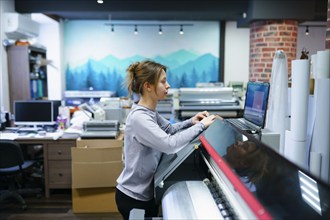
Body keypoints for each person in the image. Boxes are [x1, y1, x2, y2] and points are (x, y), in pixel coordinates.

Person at [115, 60, 216, 219]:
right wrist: (201, 126)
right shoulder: (140, 118)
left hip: (145, 193)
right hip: (133, 197)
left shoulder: (149, 112)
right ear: (148, 86)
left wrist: (192, 121)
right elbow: (170, 144)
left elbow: (169, 129)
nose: (168, 85)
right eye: (163, 81)